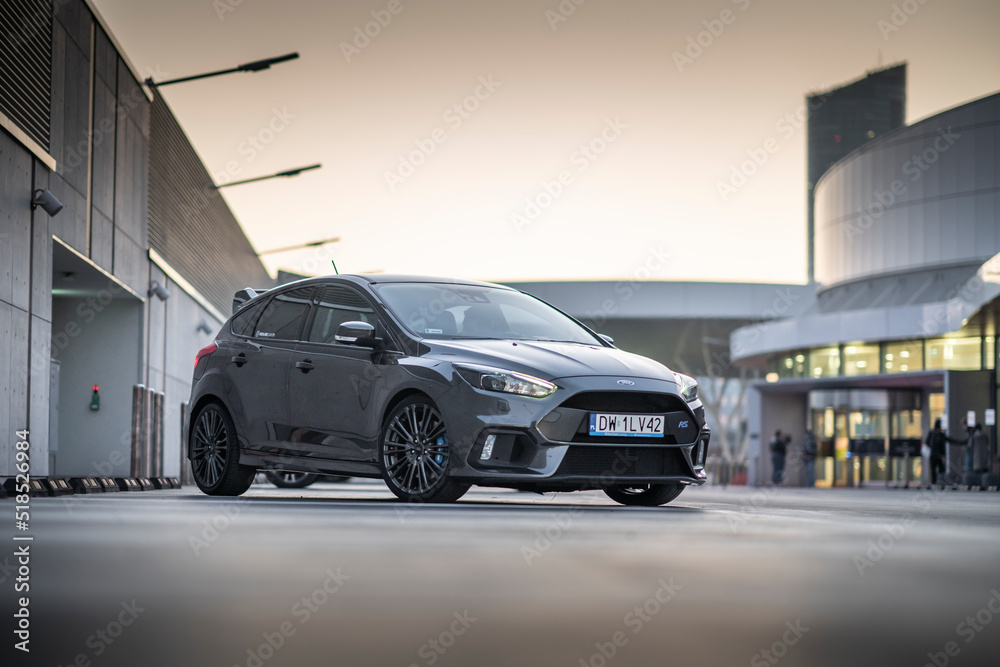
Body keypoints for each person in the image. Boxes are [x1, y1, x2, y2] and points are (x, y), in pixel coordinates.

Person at [925, 418, 964, 486]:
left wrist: (962, 442)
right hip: (935, 455)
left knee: (941, 469)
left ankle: (939, 482)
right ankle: (935, 483)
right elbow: (927, 443)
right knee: (935, 470)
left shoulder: (938, 434)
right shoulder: (934, 434)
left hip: (938, 455)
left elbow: (950, 440)